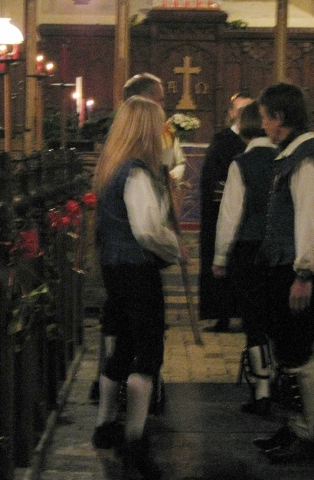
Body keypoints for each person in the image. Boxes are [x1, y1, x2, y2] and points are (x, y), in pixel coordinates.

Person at [91, 95, 187, 479]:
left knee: (123, 346)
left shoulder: (113, 167)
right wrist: (174, 248)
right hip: (136, 270)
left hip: (114, 267)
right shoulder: (136, 173)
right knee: (146, 352)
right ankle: (134, 439)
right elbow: (147, 229)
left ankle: (104, 426)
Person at [250, 83, 314, 463]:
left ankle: (305, 435)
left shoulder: (306, 159)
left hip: (299, 270)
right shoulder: (293, 155)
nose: (263, 124)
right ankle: (291, 428)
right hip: (286, 266)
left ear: (280, 117)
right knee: (286, 352)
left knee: (298, 353)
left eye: (265, 117)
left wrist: (304, 274)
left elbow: (311, 219)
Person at [212, 100, 278, 416]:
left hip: (249, 248)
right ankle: (281, 380)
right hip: (280, 248)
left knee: (254, 320)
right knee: (276, 317)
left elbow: (230, 214)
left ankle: (262, 389)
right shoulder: (286, 158)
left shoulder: (242, 163)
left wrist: (220, 256)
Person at [199, 90, 252, 332]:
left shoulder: (257, 141)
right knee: (219, 260)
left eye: (248, 110)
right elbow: (210, 178)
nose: (243, 115)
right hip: (221, 210)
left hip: (249, 213)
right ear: (231, 113)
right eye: (239, 110)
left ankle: (245, 313)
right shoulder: (222, 140)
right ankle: (220, 315)